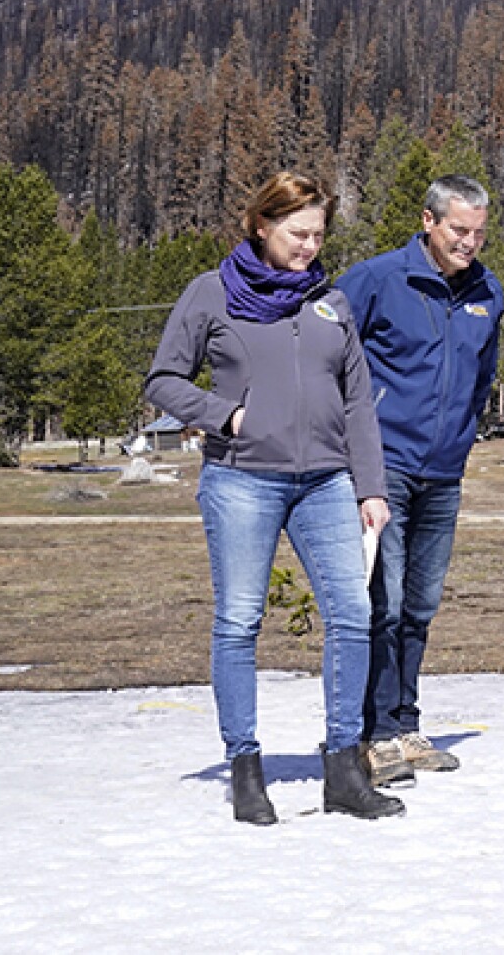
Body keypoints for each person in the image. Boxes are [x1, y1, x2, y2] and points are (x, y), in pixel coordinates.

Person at [145, 171, 402, 825]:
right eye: (297, 232)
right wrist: (221, 412)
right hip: (241, 481)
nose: (310, 245)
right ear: (261, 224)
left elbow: (356, 404)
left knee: (351, 612)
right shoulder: (211, 294)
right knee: (238, 621)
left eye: (318, 233)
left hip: (325, 482)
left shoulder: (331, 304)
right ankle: (245, 769)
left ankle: (344, 767)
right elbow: (164, 378)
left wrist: (369, 485)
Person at [337, 175, 504, 789]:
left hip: (445, 472)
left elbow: (482, 377)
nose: (470, 243)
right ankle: (373, 734)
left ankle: (407, 723)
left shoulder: (488, 292)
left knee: (421, 606)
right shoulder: (379, 280)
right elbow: (328, 351)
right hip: (384, 468)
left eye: (480, 233)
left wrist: (464, 434)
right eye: (460, 230)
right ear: (429, 222)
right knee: (384, 602)